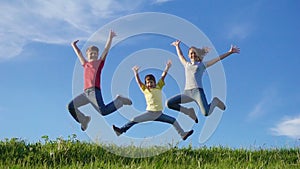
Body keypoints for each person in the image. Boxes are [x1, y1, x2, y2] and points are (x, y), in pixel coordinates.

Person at [67, 30, 132, 131]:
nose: (92, 55)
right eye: (90, 54)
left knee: (104, 112)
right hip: (85, 93)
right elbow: (79, 54)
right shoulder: (85, 64)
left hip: (94, 92)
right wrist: (73, 46)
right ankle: (83, 119)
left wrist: (110, 38)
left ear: (97, 55)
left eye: (95, 54)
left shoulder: (99, 63)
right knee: (71, 106)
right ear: (87, 55)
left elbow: (106, 49)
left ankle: (119, 101)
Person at [112, 60, 194, 140]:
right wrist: (136, 73)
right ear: (146, 84)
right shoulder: (145, 90)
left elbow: (163, 76)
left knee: (173, 120)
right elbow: (139, 83)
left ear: (155, 83)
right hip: (149, 113)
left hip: (159, 114)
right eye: (148, 83)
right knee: (134, 119)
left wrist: (167, 67)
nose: (149, 84)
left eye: (151, 82)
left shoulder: (158, 87)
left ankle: (182, 134)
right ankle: (121, 131)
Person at [167, 40, 240, 123]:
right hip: (187, 93)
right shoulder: (186, 64)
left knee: (206, 113)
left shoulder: (202, 65)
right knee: (169, 103)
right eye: (191, 53)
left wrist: (229, 52)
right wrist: (177, 46)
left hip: (198, 92)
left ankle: (215, 101)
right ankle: (189, 112)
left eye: (194, 53)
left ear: (197, 54)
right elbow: (180, 55)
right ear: (188, 55)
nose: (193, 55)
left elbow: (217, 59)